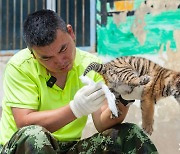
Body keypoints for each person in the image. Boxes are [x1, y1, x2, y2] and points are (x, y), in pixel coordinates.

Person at [0, 9, 158, 154]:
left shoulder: (91, 65)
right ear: (33, 55)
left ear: (71, 32)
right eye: (46, 58)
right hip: (23, 149)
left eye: (63, 49)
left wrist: (125, 99)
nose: (60, 61)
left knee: (129, 134)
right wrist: (75, 109)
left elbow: (102, 123)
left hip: (69, 148)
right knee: (34, 135)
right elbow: (24, 122)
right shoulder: (20, 66)